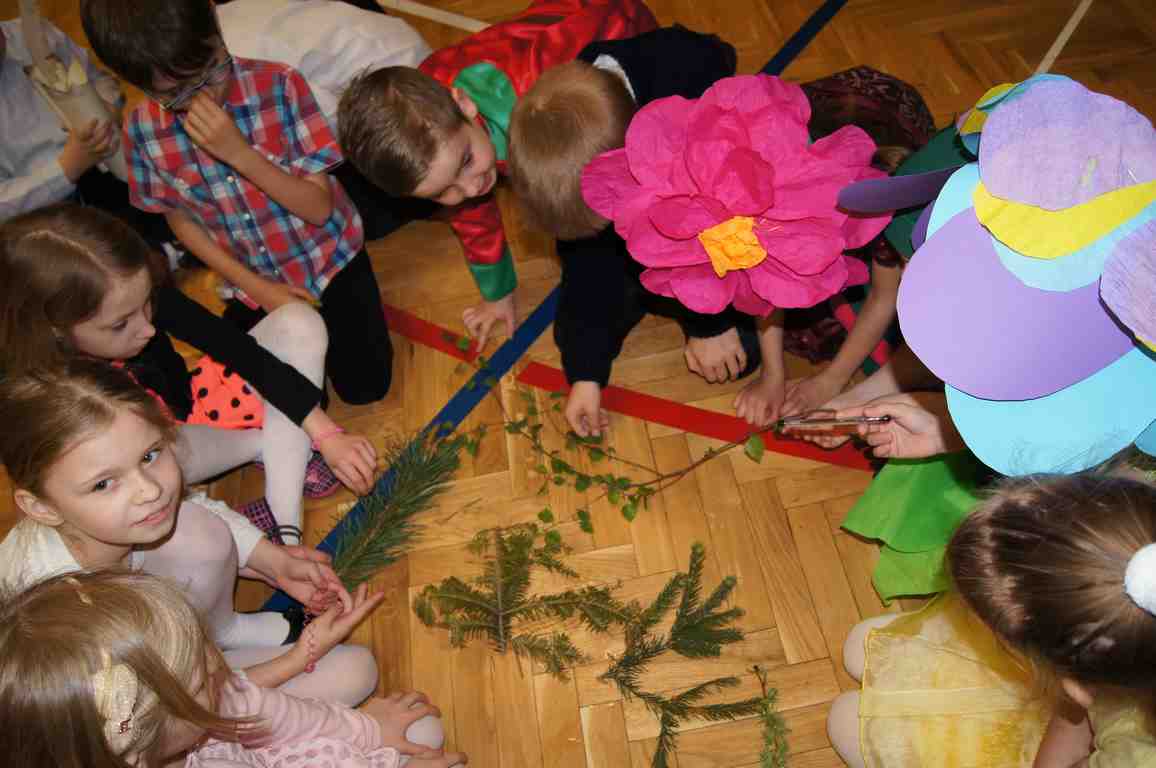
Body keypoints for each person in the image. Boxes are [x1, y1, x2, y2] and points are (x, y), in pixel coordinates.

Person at [0, 360, 383, 705]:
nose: (149, 490)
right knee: (354, 673)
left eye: (150, 455)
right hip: (150, 716)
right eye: (103, 484)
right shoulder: (68, 625)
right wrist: (299, 658)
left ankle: (226, 631)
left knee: (195, 528)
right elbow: (176, 718)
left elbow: (191, 504)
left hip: (173, 663)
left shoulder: (112, 517)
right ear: (42, 508)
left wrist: (272, 560)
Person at [80, 0, 394, 407]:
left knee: (366, 388)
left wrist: (239, 154)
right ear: (136, 84)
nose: (206, 97)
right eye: (175, 94)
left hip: (330, 259)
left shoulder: (281, 85)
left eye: (213, 68)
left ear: (214, 20)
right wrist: (257, 288)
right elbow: (179, 219)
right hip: (251, 280)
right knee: (298, 402)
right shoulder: (142, 131)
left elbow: (318, 209)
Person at [0, 204, 377, 539]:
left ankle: (283, 514)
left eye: (147, 304)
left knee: (298, 322)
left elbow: (235, 348)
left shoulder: (125, 293)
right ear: (54, 329)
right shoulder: (33, 390)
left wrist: (325, 432)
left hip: (192, 410)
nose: (146, 328)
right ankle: (278, 454)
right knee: (154, 466)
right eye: (120, 325)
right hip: (159, 454)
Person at [336, 0, 658, 351]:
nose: (471, 188)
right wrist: (498, 293)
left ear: (464, 104)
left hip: (619, 39)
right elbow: (473, 219)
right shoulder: (444, 140)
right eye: (441, 192)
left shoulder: (537, 91)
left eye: (465, 163)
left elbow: (606, 14)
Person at [506, 27, 761, 437]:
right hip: (648, 206)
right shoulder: (571, 153)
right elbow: (585, 267)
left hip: (720, 201)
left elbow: (719, 223)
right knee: (586, 313)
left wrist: (707, 325)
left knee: (740, 348)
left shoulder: (691, 93)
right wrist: (585, 374)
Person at [828, 472, 1156, 767]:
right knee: (861, 646)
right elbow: (1073, 715)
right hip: (1091, 698)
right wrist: (1072, 708)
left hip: (1091, 722)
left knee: (846, 719)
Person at [0, 569, 466, 768]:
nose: (217, 661)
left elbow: (253, 703)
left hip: (236, 747)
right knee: (423, 736)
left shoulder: (177, 720)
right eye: (202, 677)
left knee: (374, 691)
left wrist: (367, 731)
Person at [214, 0, 438, 241]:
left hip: (406, 102)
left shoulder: (248, 71)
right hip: (398, 56)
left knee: (343, 218)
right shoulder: (221, 23)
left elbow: (325, 132)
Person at [0, 16, 170, 248]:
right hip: (46, 215)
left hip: (113, 162)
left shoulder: (31, 31)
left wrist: (108, 105)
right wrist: (67, 168)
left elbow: (99, 79)